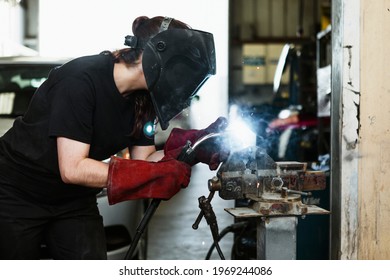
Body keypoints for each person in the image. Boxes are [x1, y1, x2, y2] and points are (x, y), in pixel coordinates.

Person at [0, 16, 228, 260]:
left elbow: (146, 159)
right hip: (18, 193)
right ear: (160, 55)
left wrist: (192, 148)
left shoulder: (143, 99)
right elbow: (73, 168)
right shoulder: (81, 80)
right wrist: (154, 175)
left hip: (73, 200)